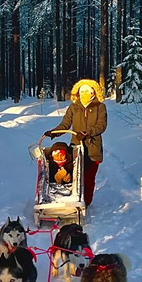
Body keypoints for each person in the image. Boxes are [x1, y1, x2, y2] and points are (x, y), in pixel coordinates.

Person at [44, 79, 107, 207]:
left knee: (88, 179)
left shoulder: (100, 107)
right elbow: (65, 124)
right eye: (82, 91)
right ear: (78, 92)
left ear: (94, 92)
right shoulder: (74, 107)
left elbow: (102, 125)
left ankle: (86, 203)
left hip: (93, 148)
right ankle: (72, 201)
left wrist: (87, 133)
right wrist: (54, 132)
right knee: (75, 177)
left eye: (88, 91)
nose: (85, 93)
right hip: (76, 148)